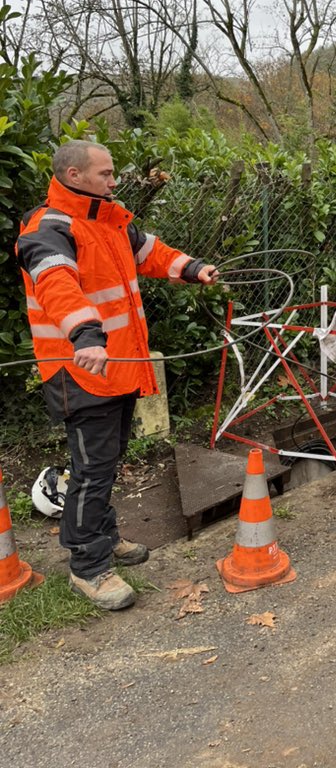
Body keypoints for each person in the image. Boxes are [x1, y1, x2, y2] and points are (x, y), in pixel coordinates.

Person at [16, 141, 219, 611]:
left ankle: (105, 538)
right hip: (80, 370)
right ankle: (87, 567)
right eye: (105, 174)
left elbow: (151, 253)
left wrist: (190, 268)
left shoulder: (108, 219)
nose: (114, 181)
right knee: (92, 470)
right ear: (73, 174)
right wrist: (86, 335)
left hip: (121, 366)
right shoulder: (48, 228)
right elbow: (56, 284)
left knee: (108, 461)